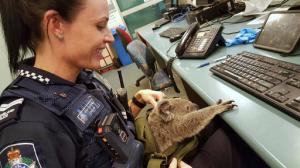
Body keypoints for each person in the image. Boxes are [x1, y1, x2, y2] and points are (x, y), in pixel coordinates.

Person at [0, 0, 268, 168]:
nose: (109, 37)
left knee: (223, 122)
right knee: (239, 142)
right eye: (100, 26)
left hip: (150, 156)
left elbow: (102, 136)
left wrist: (136, 104)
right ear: (56, 24)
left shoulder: (81, 78)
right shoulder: (27, 130)